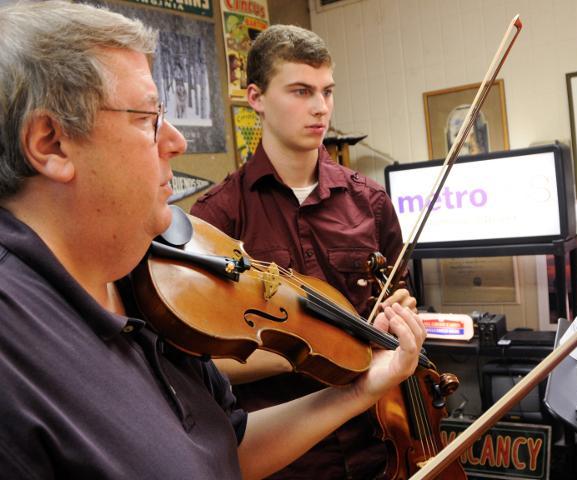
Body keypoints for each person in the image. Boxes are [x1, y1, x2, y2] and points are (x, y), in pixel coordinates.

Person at [0, 3, 425, 479]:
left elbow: (229, 445)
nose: (177, 141)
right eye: (148, 118)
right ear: (51, 143)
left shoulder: (148, 278)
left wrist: (359, 389)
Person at [191, 24, 418, 479]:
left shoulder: (370, 202)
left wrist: (399, 320)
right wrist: (312, 347)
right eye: (300, 91)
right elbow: (197, 364)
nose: (320, 108)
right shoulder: (216, 217)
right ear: (255, 97)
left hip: (381, 441)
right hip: (286, 460)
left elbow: (401, 298)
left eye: (327, 91)